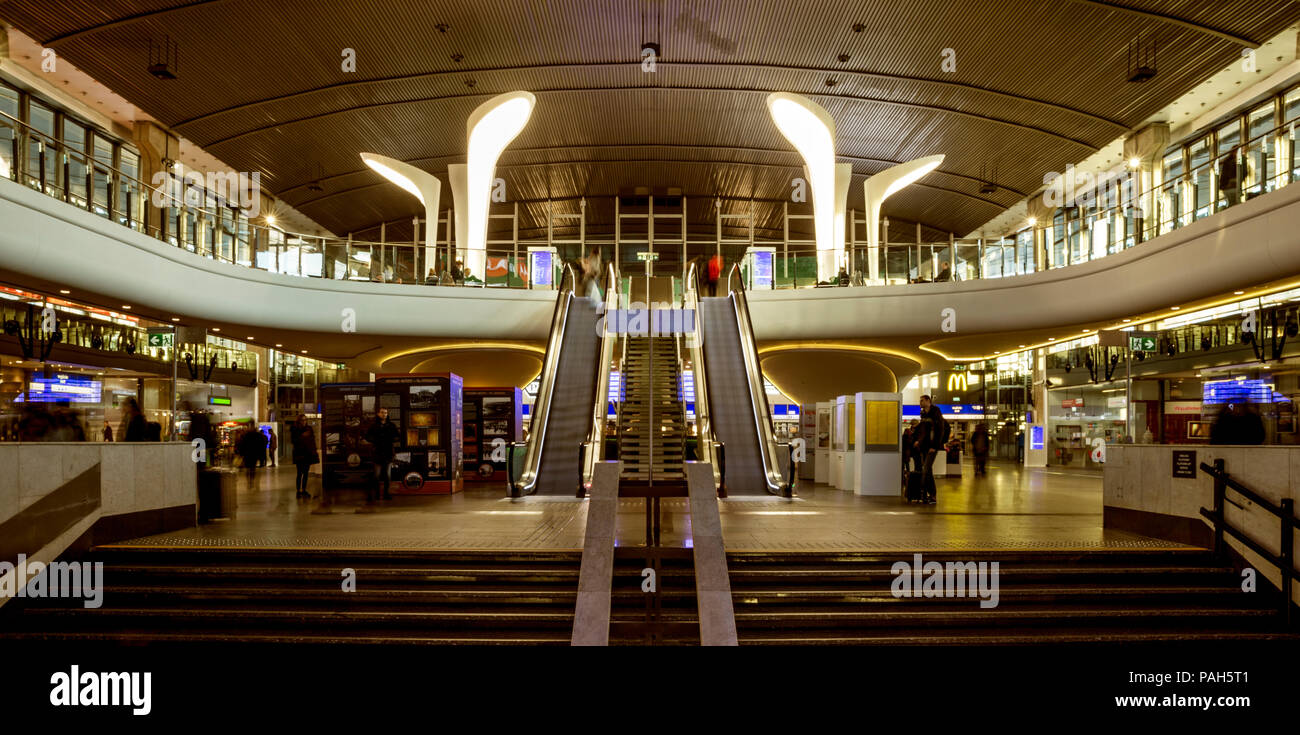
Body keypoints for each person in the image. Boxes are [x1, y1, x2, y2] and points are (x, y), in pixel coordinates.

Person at [913, 395, 947, 504]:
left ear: (928, 401)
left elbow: (940, 429)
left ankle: (930, 494)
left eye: (922, 400)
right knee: (928, 471)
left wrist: (935, 446)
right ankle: (929, 495)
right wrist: (918, 440)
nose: (920, 402)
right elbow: (923, 430)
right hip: (924, 446)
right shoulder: (923, 413)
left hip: (932, 447)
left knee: (926, 470)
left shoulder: (935, 412)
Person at [365, 408, 400, 502]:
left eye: (385, 413)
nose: (384, 414)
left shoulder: (391, 425)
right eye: (382, 412)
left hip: (388, 452)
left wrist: (391, 439)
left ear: (387, 414)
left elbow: (397, 436)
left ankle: (386, 494)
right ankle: (377, 494)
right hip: (377, 452)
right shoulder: (374, 426)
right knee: (376, 475)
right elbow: (367, 436)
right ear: (378, 414)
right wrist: (375, 441)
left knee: (387, 476)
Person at [290, 416, 319, 500]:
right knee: (299, 473)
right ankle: (298, 491)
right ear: (299, 421)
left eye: (305, 420)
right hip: (299, 454)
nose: (304, 421)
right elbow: (293, 441)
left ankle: (304, 490)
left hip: (307, 453)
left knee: (306, 473)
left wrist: (314, 451)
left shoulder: (309, 428)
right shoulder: (295, 429)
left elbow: (312, 440)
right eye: (302, 420)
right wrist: (302, 436)